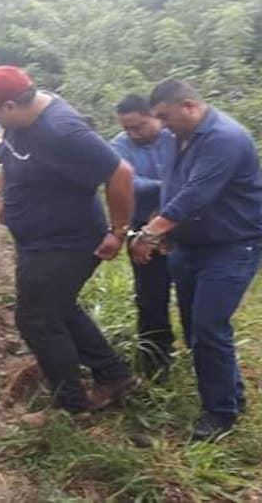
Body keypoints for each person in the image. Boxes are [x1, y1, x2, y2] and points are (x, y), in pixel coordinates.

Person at [0, 65, 138, 425]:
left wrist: (118, 232)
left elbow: (121, 174)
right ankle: (114, 375)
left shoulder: (62, 130)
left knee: (36, 319)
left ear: (9, 105)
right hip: (39, 240)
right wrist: (4, 197)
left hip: (68, 241)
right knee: (58, 309)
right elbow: (9, 156)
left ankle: (71, 406)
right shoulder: (19, 122)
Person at [131, 78, 262, 441]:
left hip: (231, 248)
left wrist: (150, 233)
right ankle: (232, 397)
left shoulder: (224, 138)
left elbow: (195, 195)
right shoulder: (179, 136)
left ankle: (219, 415)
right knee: (196, 330)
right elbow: (173, 187)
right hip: (190, 248)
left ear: (189, 106)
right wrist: (167, 232)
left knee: (209, 328)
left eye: (165, 115)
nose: (160, 124)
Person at [110, 94, 176, 380]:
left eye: (139, 126)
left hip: (183, 224)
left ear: (155, 117)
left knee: (193, 292)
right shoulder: (118, 146)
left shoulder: (176, 137)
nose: (133, 134)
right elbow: (125, 183)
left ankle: (203, 354)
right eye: (128, 129)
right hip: (141, 228)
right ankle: (155, 360)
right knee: (150, 295)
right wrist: (167, 186)